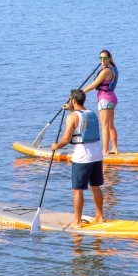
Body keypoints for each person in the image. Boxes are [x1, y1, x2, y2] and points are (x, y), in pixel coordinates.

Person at [51, 89, 104, 227]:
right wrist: (70, 109)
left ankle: (77, 222)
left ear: (73, 100)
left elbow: (66, 139)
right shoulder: (92, 113)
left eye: (70, 100)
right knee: (95, 186)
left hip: (82, 158)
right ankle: (100, 217)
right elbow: (81, 120)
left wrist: (55, 146)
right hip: (97, 155)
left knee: (77, 190)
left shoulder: (72, 117)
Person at [83, 50, 118, 155]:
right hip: (111, 99)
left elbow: (93, 85)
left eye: (105, 58)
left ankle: (105, 151)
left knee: (105, 126)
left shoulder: (106, 71)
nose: (102, 60)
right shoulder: (112, 69)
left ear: (109, 58)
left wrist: (80, 92)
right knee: (110, 125)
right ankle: (115, 149)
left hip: (104, 100)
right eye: (100, 58)